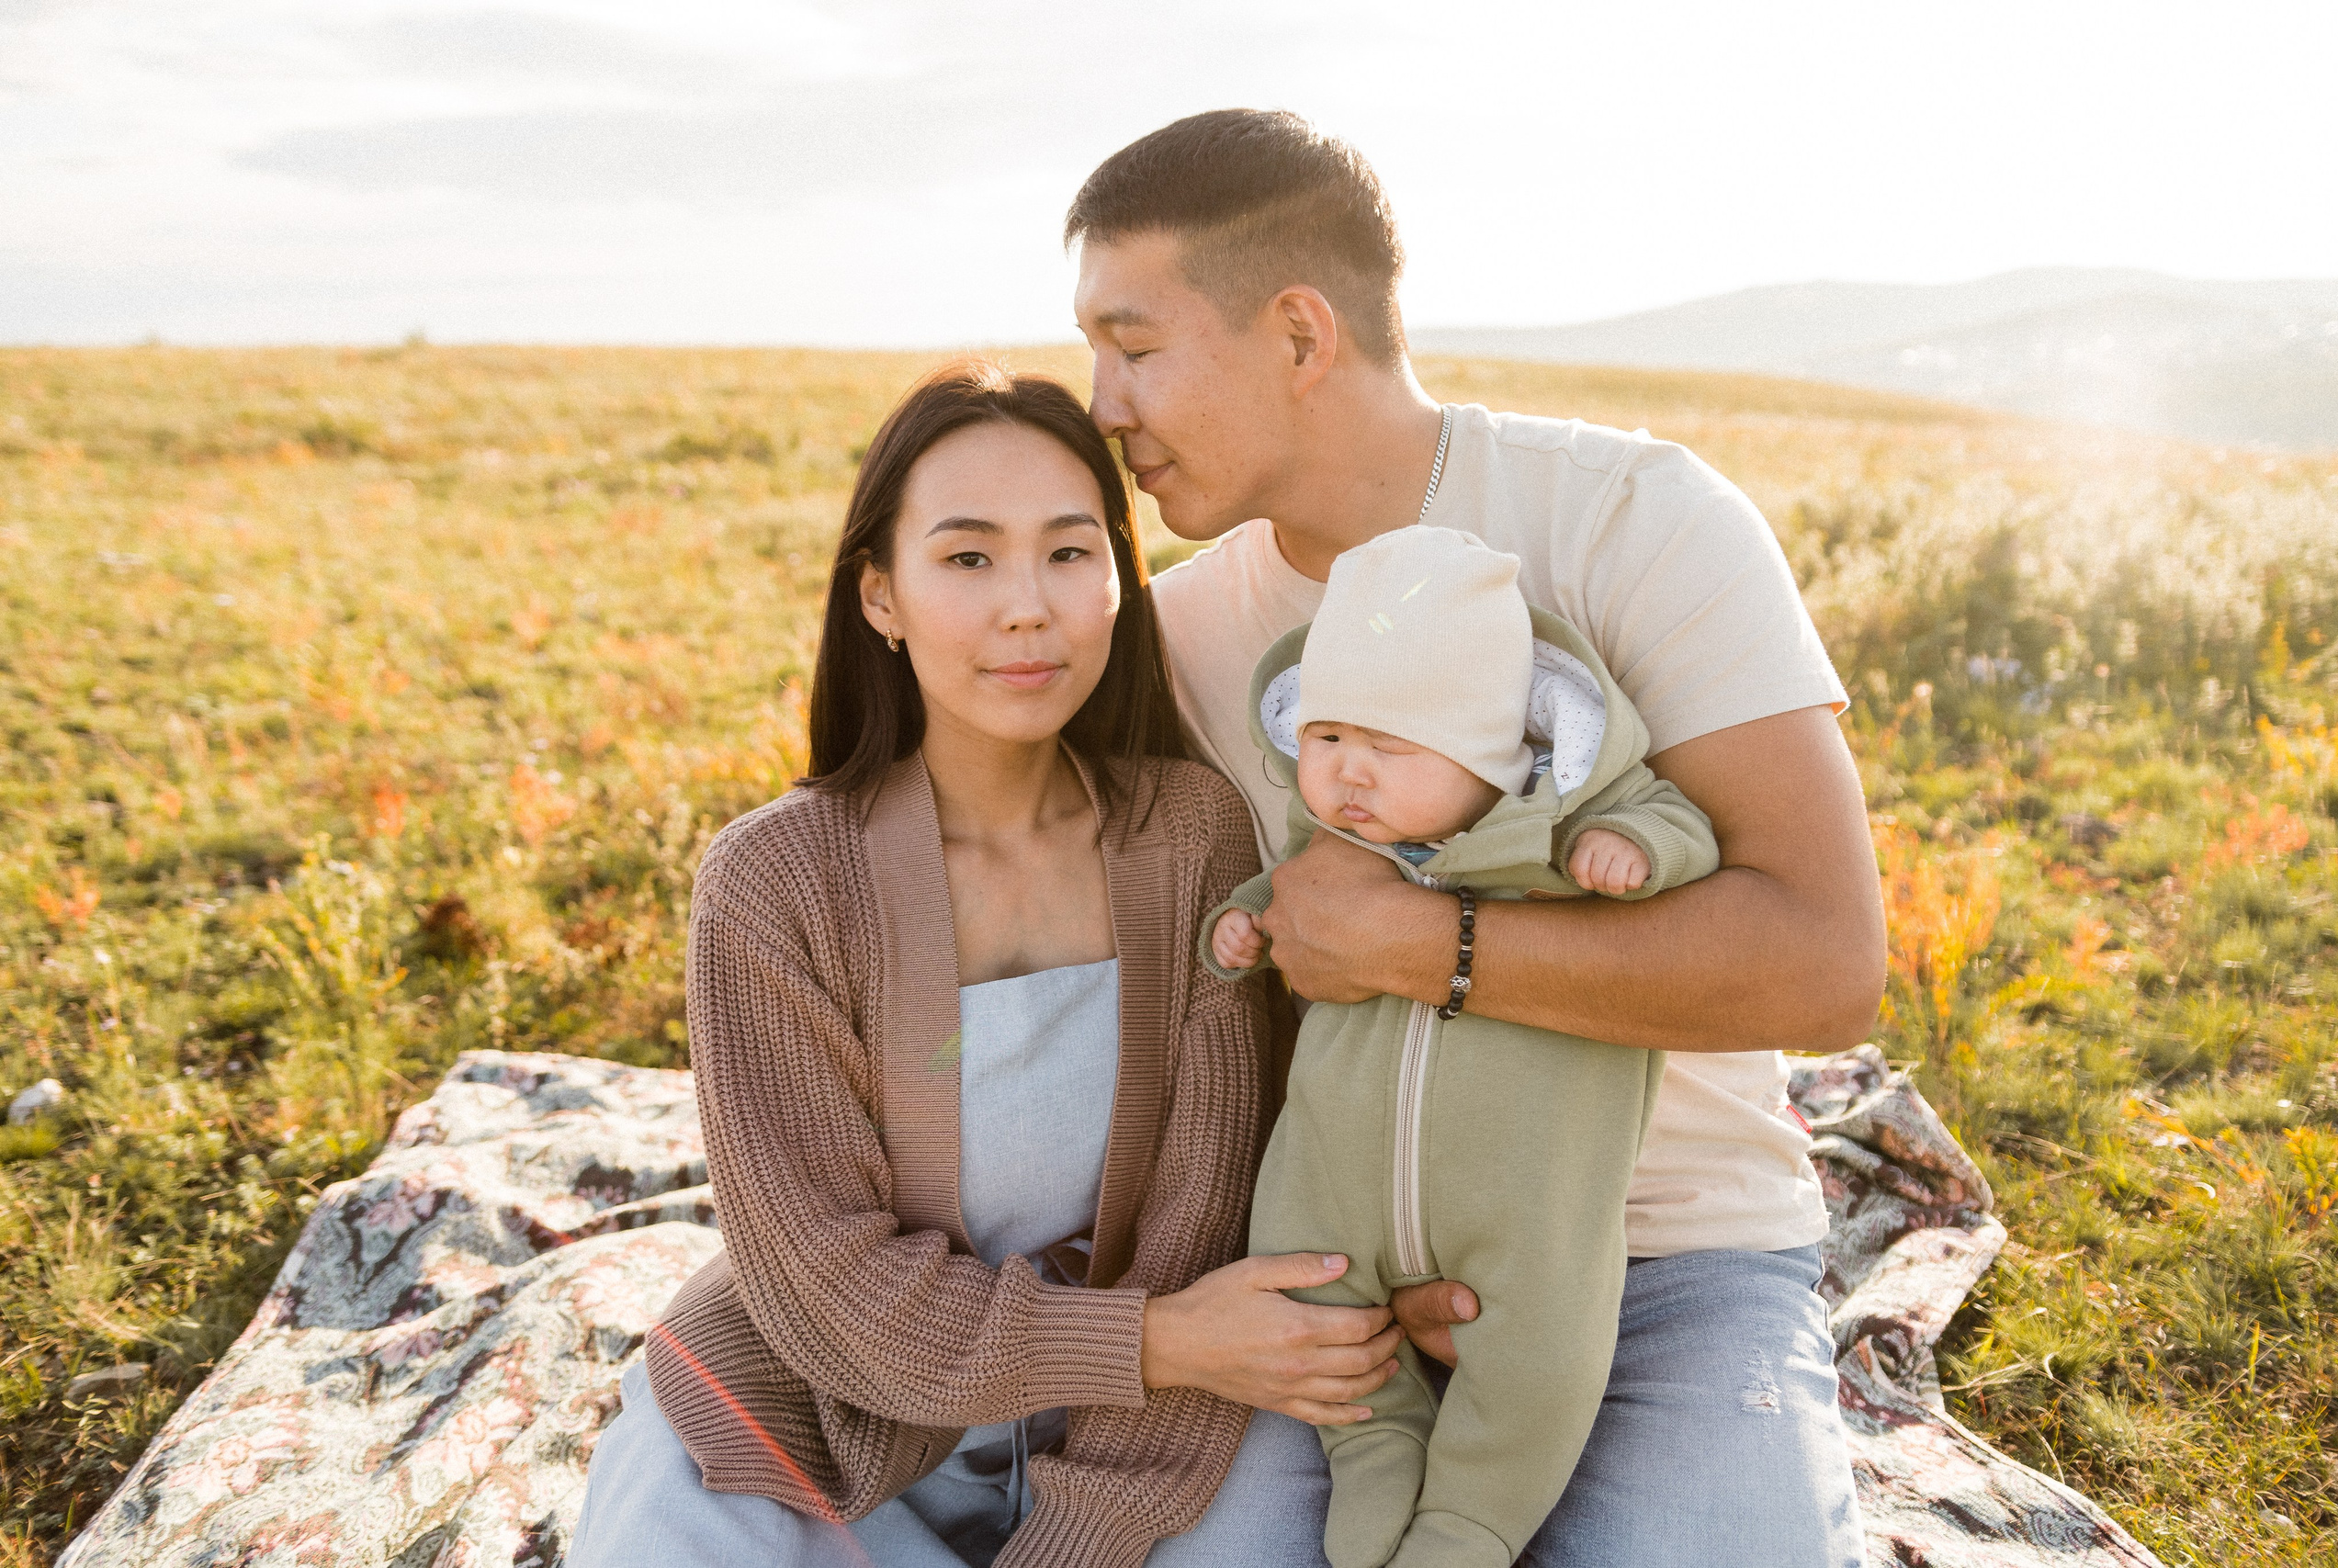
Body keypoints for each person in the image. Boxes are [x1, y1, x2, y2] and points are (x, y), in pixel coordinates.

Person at [1070, 110, 1884, 1566]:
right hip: (1337, 1278)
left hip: (1670, 1261)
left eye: (1133, 347)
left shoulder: (1637, 521)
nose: (1101, 401)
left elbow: (1826, 960)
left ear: (1301, 333)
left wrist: (1425, 946)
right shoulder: (1186, 639)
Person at [569, 365, 1406, 1568]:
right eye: (968, 558)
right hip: (836, 1411)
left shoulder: (1190, 833)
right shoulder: (773, 881)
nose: (1030, 607)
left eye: (1071, 553)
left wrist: (1094, 1504)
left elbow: (1200, 1210)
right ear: (881, 594)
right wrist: (1153, 1338)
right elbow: (830, 1287)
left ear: (1121, 581)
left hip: (1156, 1422)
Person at [1199, 524, 1718, 1568]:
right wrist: (1246, 924)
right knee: (1297, 1271)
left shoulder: (1559, 839)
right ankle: (1374, 1443)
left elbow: (1685, 827)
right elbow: (1286, 899)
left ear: (1488, 752)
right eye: (1330, 739)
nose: (1348, 775)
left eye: (1389, 750)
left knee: (1541, 1359)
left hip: (1522, 1209)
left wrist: (1634, 849)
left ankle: (1471, 1521)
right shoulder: (1337, 845)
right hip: (1338, 1181)